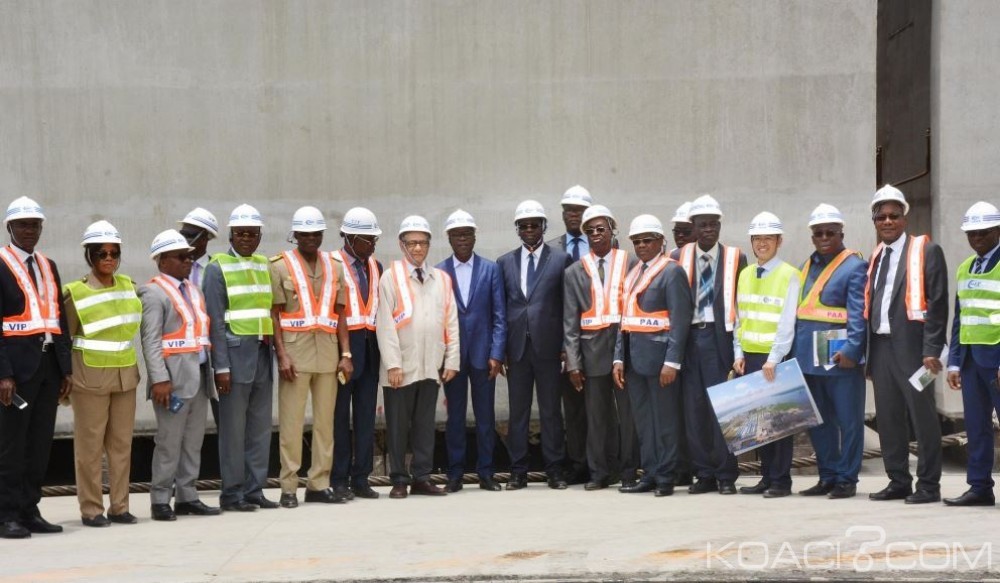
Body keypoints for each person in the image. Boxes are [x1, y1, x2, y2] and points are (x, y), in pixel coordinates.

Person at [865, 184, 948, 505]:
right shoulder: (876, 256)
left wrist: (932, 349)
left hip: (916, 351)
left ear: (904, 218)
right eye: (881, 217)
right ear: (874, 221)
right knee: (888, 418)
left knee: (922, 417)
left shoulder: (927, 251)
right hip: (881, 348)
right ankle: (898, 480)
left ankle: (928, 485)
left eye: (893, 215)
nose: (887, 221)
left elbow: (938, 303)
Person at [270, 207, 353, 508]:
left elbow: (341, 313)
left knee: (325, 424)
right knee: (291, 424)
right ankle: (289, 487)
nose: (310, 239)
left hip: (328, 354)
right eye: (304, 234)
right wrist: (281, 355)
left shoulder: (335, 266)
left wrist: (346, 353)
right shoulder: (280, 266)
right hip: (294, 354)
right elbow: (274, 314)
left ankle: (319, 483)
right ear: (295, 235)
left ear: (321, 235)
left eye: (316, 234)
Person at [0, 197, 72, 539]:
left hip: (47, 367)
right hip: (15, 371)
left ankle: (30, 510)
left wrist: (65, 368)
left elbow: (58, 318)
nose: (30, 230)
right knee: (11, 445)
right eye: (23, 225)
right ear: (10, 227)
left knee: (40, 444)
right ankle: (7, 514)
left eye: (35, 225)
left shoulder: (48, 265)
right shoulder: (1, 263)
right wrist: (3, 374)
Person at [138, 229, 220, 522]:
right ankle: (161, 499)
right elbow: (150, 341)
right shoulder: (153, 292)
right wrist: (159, 379)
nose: (189, 261)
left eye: (190, 256)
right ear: (162, 260)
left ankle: (187, 496)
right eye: (181, 257)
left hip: (198, 376)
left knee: (193, 442)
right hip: (171, 382)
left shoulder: (194, 290)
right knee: (169, 442)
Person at [376, 216, 459, 499]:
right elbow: (385, 324)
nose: (418, 248)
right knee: (398, 426)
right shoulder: (391, 277)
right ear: (402, 245)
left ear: (429, 244)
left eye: (422, 242)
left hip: (430, 364)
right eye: (411, 243)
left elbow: (451, 321)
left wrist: (451, 360)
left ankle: (422, 477)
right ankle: (399, 479)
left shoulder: (441, 279)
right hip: (401, 366)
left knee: (424, 425)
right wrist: (393, 364)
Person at [65, 221, 142, 527]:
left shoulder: (129, 286)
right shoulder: (76, 293)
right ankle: (91, 509)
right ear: (90, 255)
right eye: (102, 253)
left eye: (114, 253)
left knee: (122, 445)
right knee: (90, 447)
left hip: (125, 376)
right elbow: (64, 340)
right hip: (89, 378)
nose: (109, 259)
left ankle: (120, 507)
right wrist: (65, 378)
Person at [670, 194, 745, 495]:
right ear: (694, 226)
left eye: (714, 224)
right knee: (694, 409)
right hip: (689, 340)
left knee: (725, 407)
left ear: (720, 225)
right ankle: (704, 474)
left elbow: (741, 305)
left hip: (719, 338)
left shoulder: (736, 257)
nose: (709, 230)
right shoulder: (678, 257)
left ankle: (726, 475)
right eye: (703, 225)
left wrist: (738, 349)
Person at [613, 214, 692, 496]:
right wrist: (619, 358)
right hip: (634, 360)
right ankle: (650, 473)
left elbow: (680, 321)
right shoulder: (633, 273)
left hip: (661, 363)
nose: (642, 246)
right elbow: (625, 319)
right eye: (637, 241)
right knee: (644, 422)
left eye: (647, 240)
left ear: (661, 241)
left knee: (665, 421)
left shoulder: (672, 272)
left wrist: (672, 362)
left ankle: (666, 477)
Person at [204, 204, 277, 512]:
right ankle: (232, 493)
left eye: (252, 234)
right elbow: (215, 322)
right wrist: (220, 366)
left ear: (259, 236)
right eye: (241, 233)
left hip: (262, 355)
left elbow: (269, 311)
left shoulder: (263, 264)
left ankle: (254, 488)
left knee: (260, 428)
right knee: (233, 431)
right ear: (231, 235)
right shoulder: (216, 268)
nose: (246, 239)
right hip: (233, 360)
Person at [498, 200, 572, 490]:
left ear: (544, 226)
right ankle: (518, 471)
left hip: (549, 348)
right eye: (524, 225)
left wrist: (566, 345)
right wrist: (501, 350)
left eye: (534, 225)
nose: (529, 230)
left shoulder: (561, 260)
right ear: (517, 229)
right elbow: (501, 310)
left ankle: (555, 470)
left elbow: (568, 307)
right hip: (517, 349)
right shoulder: (505, 263)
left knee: (551, 411)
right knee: (518, 412)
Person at [795, 204, 868, 499]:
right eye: (818, 233)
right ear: (812, 236)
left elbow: (858, 313)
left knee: (848, 420)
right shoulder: (807, 265)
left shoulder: (854, 266)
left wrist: (853, 349)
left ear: (841, 234)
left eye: (830, 232)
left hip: (839, 355)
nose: (824, 237)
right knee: (817, 420)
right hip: (807, 355)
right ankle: (827, 475)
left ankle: (846, 479)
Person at [563, 205, 639, 490]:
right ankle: (599, 472)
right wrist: (573, 363)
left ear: (611, 230)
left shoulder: (630, 262)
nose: (595, 234)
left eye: (601, 229)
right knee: (596, 417)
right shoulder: (574, 271)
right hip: (591, 351)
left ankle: (628, 471)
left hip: (625, 349)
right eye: (590, 230)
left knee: (628, 415)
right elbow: (570, 322)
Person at [436, 210, 507, 492]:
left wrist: (497, 354)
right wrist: (442, 357)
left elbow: (499, 315)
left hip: (483, 356)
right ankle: (455, 474)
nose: (462, 239)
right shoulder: (439, 272)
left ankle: (486, 473)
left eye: (467, 234)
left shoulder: (491, 269)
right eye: (457, 235)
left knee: (485, 417)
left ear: (475, 236)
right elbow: (437, 319)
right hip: (452, 358)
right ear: (449, 238)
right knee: (454, 417)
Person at [731, 213, 800, 498]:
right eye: (757, 238)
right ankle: (767, 476)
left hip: (774, 359)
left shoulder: (789, 274)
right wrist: (738, 352)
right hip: (749, 357)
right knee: (759, 423)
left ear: (779, 241)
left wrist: (775, 357)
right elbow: (740, 318)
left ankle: (781, 481)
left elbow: (787, 322)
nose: (762, 243)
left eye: (768, 238)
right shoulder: (745, 274)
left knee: (779, 423)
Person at [944, 202, 1000, 507]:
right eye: (971, 233)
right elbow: (960, 319)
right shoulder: (965, 267)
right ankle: (979, 487)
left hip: (996, 360)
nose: (976, 237)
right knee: (977, 428)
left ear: (997, 231)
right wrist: (954, 362)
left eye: (983, 232)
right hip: (970, 362)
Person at [331, 207, 384, 500]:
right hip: (343, 351)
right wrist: (344, 353)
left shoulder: (376, 266)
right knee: (339, 418)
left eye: (374, 239)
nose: (373, 244)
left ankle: (361, 478)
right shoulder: (332, 264)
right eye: (368, 239)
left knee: (365, 418)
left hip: (371, 350)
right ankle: (338, 479)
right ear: (350, 238)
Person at [546, 184, 593, 484]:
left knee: (599, 406)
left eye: (579, 210)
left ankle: (601, 462)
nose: (573, 215)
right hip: (566, 340)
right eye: (568, 211)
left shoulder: (605, 244)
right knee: (572, 406)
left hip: (597, 336)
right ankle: (578, 464)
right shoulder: (552, 250)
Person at [177, 207, 221, 425]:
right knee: (184, 421)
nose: (184, 239)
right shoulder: (173, 268)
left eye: (189, 234)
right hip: (182, 356)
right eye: (183, 233)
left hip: (212, 354)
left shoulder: (217, 269)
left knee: (223, 415)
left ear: (205, 238)